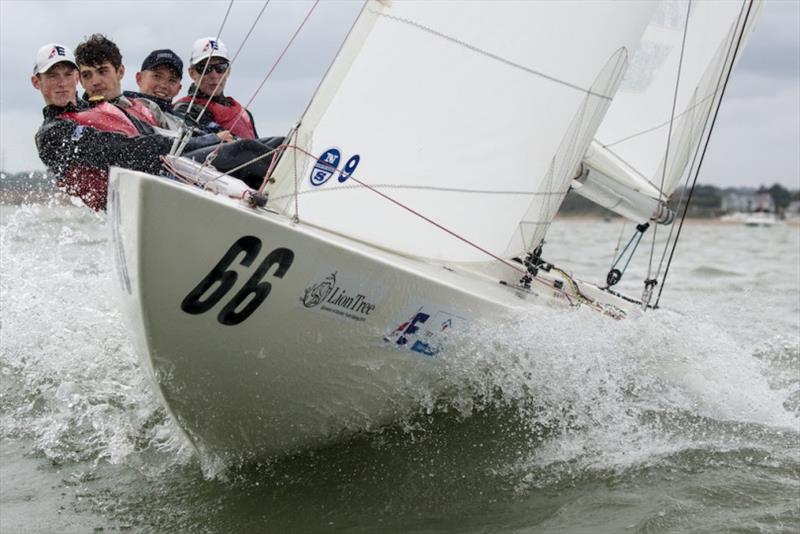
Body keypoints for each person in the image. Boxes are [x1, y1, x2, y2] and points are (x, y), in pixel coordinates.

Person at [31, 43, 176, 210]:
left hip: (164, 174)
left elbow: (151, 134)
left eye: (68, 74)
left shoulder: (104, 105)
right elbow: (116, 151)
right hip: (128, 204)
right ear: (36, 82)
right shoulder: (51, 134)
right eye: (52, 76)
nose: (62, 83)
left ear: (76, 78)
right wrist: (170, 147)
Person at [173, 37, 259, 139]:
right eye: (205, 68)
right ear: (192, 73)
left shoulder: (244, 114)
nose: (214, 75)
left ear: (228, 71)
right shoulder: (183, 111)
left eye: (221, 68)